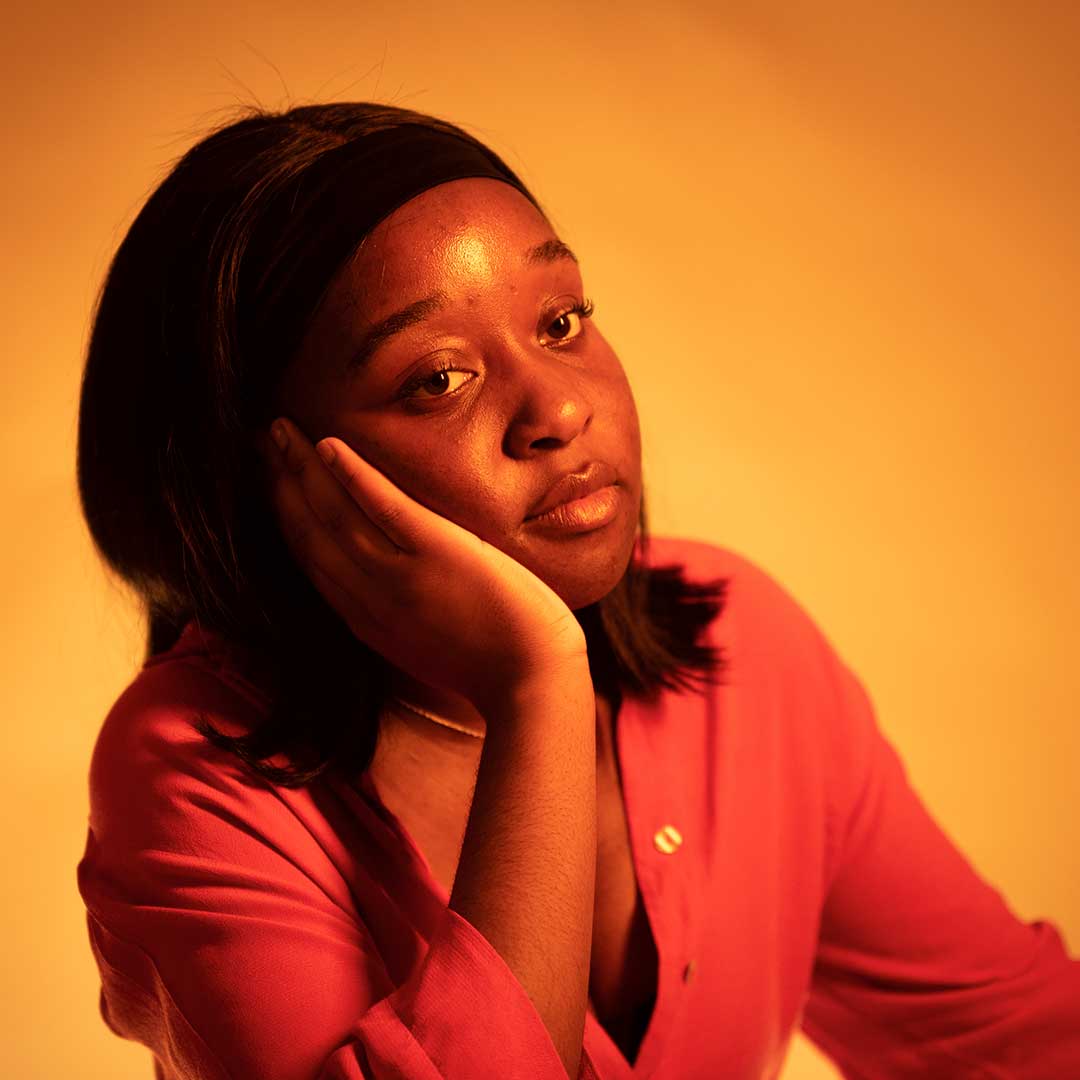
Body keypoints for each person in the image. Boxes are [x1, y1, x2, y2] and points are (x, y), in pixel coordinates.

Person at [75, 102, 1080, 1080]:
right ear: (270, 477)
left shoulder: (741, 640)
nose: (560, 406)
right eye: (437, 378)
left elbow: (1007, 1040)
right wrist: (538, 686)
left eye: (560, 322)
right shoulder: (188, 772)